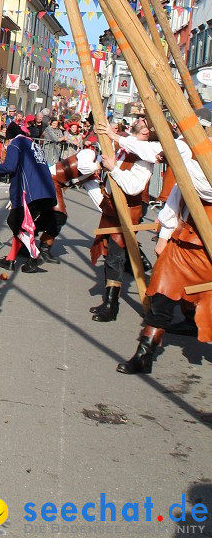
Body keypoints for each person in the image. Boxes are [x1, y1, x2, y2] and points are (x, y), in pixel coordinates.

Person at [117, 106, 212, 374]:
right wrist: (166, 231)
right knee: (161, 294)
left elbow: (208, 189)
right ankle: (144, 355)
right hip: (186, 239)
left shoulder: (193, 154)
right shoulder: (188, 149)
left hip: (208, 245)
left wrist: (181, 161)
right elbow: (179, 195)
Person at [89, 115, 161, 322]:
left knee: (115, 257)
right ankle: (108, 301)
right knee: (110, 254)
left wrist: (114, 168)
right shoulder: (126, 142)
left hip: (128, 210)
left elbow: (133, 187)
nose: (138, 119)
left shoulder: (145, 157)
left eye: (143, 120)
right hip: (112, 209)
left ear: (146, 131)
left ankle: (112, 306)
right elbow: (109, 137)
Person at [0, 121, 58, 274]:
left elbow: (10, 166)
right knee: (23, 226)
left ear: (9, 138)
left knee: (14, 222)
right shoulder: (34, 144)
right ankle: (10, 259)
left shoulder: (15, 143)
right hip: (45, 191)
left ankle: (34, 253)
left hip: (28, 192)